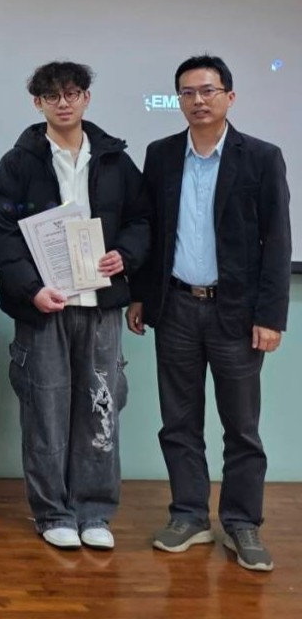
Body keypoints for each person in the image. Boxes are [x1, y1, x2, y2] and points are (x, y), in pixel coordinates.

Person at [128, 54, 290, 572]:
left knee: (241, 427)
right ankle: (189, 515)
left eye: (208, 91)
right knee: (178, 422)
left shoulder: (261, 157)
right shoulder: (161, 155)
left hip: (236, 314)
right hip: (176, 306)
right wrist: (140, 295)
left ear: (229, 97)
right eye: (188, 92)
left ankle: (242, 523)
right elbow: (151, 231)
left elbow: (277, 242)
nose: (198, 100)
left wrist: (271, 316)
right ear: (178, 100)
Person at [0, 61, 149, 551]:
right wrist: (30, 289)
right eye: (52, 96)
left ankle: (94, 511)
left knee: (100, 407)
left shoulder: (115, 160)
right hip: (45, 307)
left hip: (100, 305)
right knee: (46, 409)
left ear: (86, 98)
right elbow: (2, 233)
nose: (64, 103)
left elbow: (142, 220)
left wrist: (125, 256)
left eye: (72, 93)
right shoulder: (18, 163)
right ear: (37, 103)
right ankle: (52, 512)